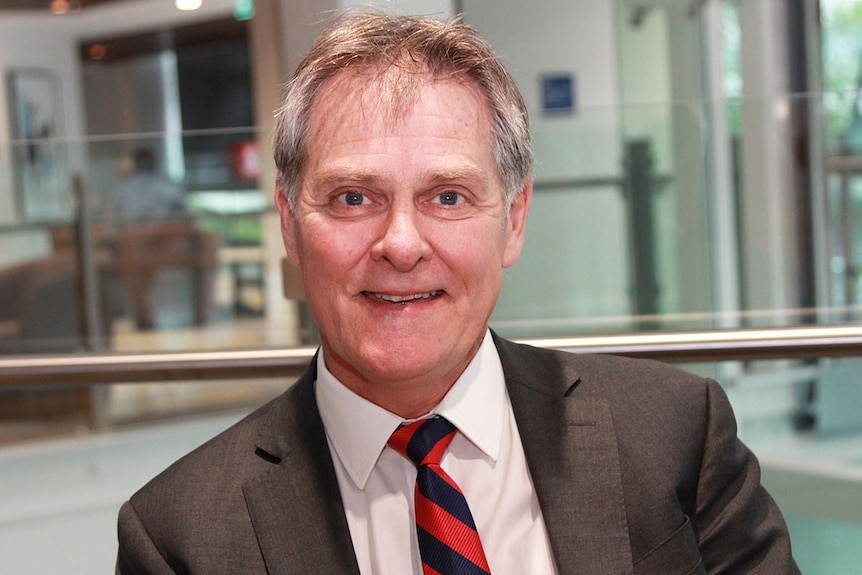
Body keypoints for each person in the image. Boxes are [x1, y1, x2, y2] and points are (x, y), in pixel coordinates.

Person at [116, 11, 801, 575]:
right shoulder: (182, 538)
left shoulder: (676, 435)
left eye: (448, 196)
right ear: (291, 226)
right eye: (354, 197)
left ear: (515, 219)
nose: (402, 244)